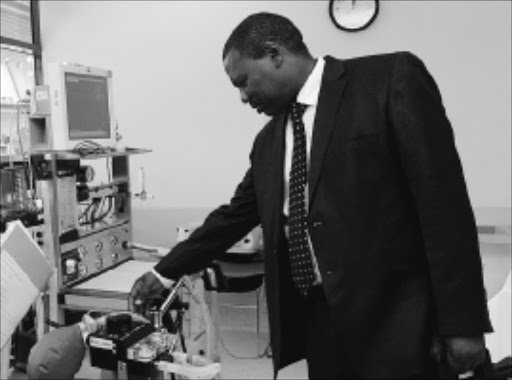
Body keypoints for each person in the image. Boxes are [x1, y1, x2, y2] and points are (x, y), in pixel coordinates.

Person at [130, 12, 492, 379]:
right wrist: (164, 272)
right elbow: (233, 217)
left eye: (243, 82)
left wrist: (463, 323)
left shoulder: (388, 81)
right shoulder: (269, 141)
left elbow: (443, 205)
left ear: (274, 54)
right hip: (322, 322)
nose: (242, 97)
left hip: (400, 320)